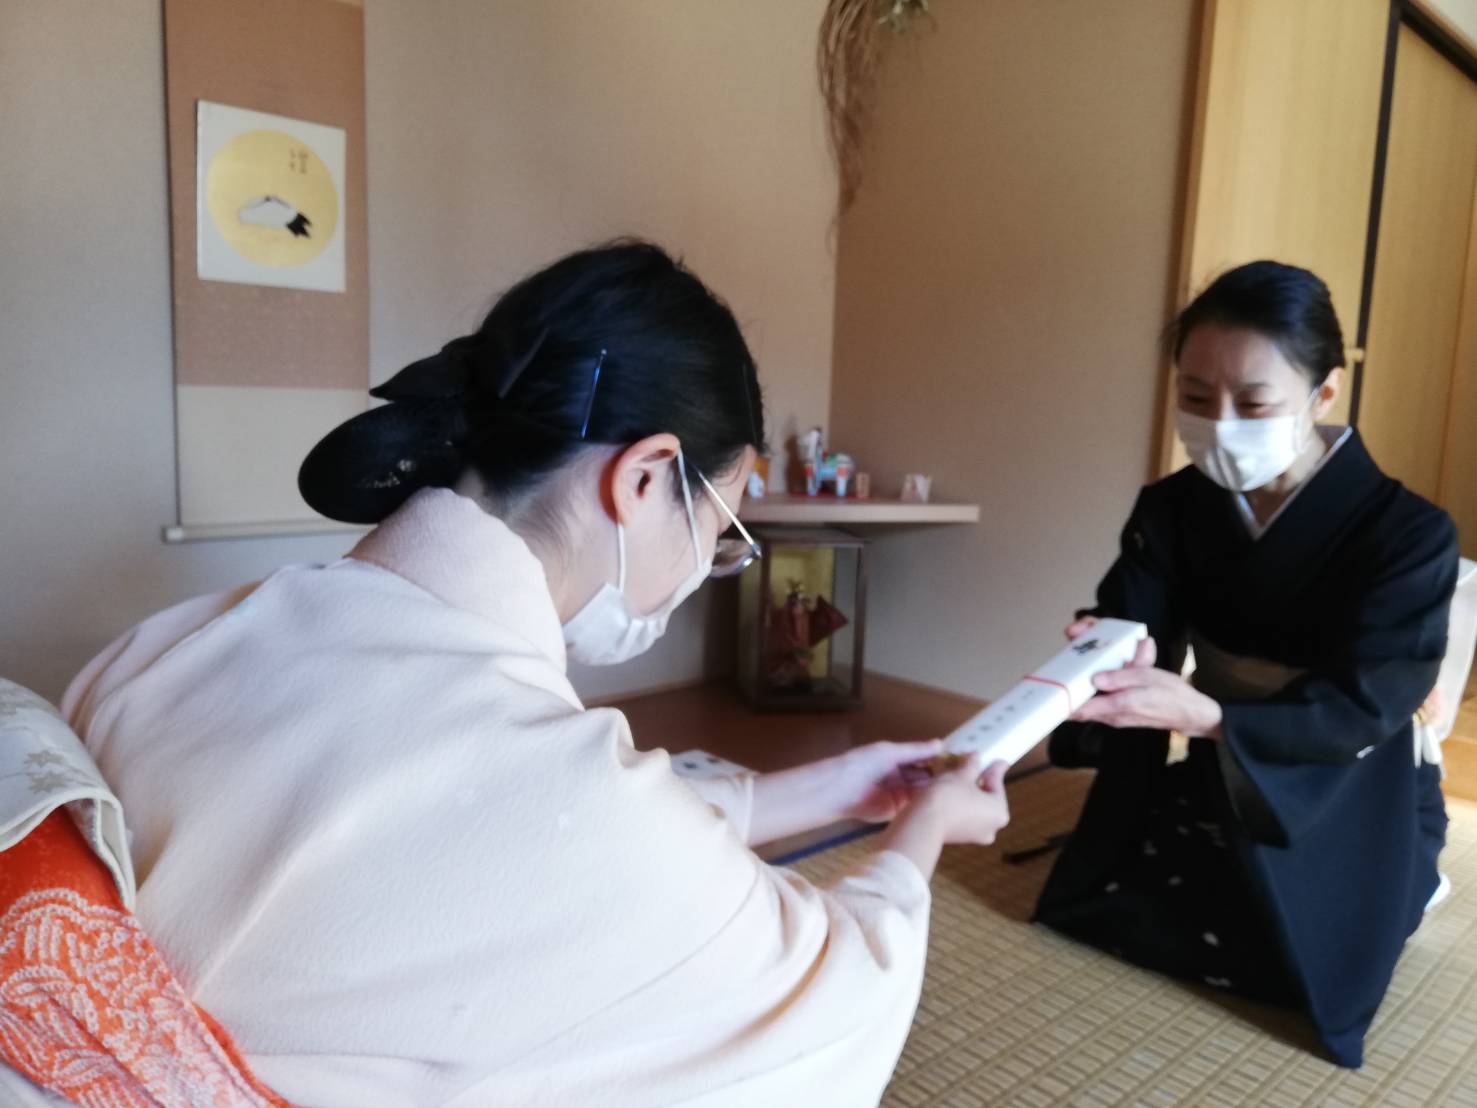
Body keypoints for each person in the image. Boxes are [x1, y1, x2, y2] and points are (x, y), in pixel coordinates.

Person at [55, 241, 1010, 1106]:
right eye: (722, 527)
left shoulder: (175, 640)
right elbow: (830, 996)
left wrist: (826, 788)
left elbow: (495, 818)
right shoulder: (569, 796)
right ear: (645, 478)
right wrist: (924, 830)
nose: (708, 563)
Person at [1033, 260, 1459, 1069]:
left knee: (1298, 957)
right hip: (1227, 761)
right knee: (1111, 905)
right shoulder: (1171, 507)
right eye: (1194, 398)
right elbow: (1135, 621)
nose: (1219, 425)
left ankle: (1409, 859)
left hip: (1337, 764)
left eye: (1253, 403)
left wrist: (1208, 715)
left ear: (1323, 393)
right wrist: (1108, 650)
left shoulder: (1408, 533)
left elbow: (1367, 700)